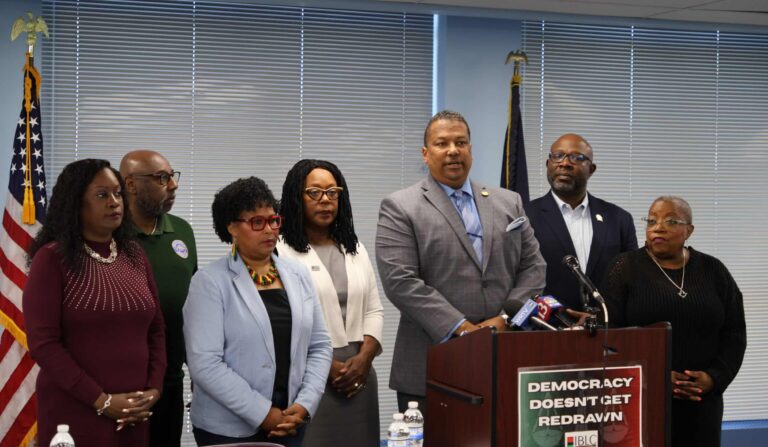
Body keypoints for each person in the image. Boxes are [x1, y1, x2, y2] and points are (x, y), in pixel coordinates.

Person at [375, 110, 546, 412]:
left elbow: (534, 267)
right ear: (425, 154)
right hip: (433, 364)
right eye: (442, 143)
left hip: (506, 360)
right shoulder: (400, 206)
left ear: (470, 149)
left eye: (461, 142)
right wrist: (463, 328)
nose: (453, 151)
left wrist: (505, 320)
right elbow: (400, 281)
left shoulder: (509, 201)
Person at [23, 159, 166, 446]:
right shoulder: (52, 259)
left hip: (134, 414)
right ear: (75, 203)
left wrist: (153, 390)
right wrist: (102, 401)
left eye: (117, 194)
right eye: (102, 195)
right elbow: (44, 344)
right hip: (74, 413)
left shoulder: (135, 255)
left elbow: (156, 329)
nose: (114, 202)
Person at [183, 176, 332, 446]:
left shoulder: (298, 274)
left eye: (274, 220)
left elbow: (320, 346)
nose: (270, 230)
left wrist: (304, 405)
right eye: (257, 222)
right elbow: (205, 364)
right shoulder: (209, 282)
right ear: (231, 227)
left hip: (291, 418)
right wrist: (264, 414)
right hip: (227, 428)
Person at [602, 196, 746, 447]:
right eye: (651, 220)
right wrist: (655, 376)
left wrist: (714, 378)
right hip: (642, 397)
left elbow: (734, 333)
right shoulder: (624, 267)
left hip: (701, 402)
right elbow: (610, 337)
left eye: (670, 221)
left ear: (689, 230)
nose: (658, 227)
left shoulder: (714, 270)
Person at [278, 159, 384, 447]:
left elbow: (374, 309)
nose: (325, 200)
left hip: (359, 375)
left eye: (332, 192)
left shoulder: (354, 247)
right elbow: (283, 323)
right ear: (296, 197)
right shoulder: (280, 251)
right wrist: (326, 366)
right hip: (309, 376)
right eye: (314, 192)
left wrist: (365, 358)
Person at [119, 150, 197, 447]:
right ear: (131, 184)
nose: (173, 185)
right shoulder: (109, 233)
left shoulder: (182, 231)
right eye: (161, 178)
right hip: (120, 385)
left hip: (170, 381)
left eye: (172, 176)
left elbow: (193, 307)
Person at [524, 133, 637, 310]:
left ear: (591, 169)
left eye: (577, 157)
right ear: (548, 164)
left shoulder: (619, 219)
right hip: (546, 323)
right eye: (557, 156)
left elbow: (631, 279)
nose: (565, 163)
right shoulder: (525, 215)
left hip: (605, 322)